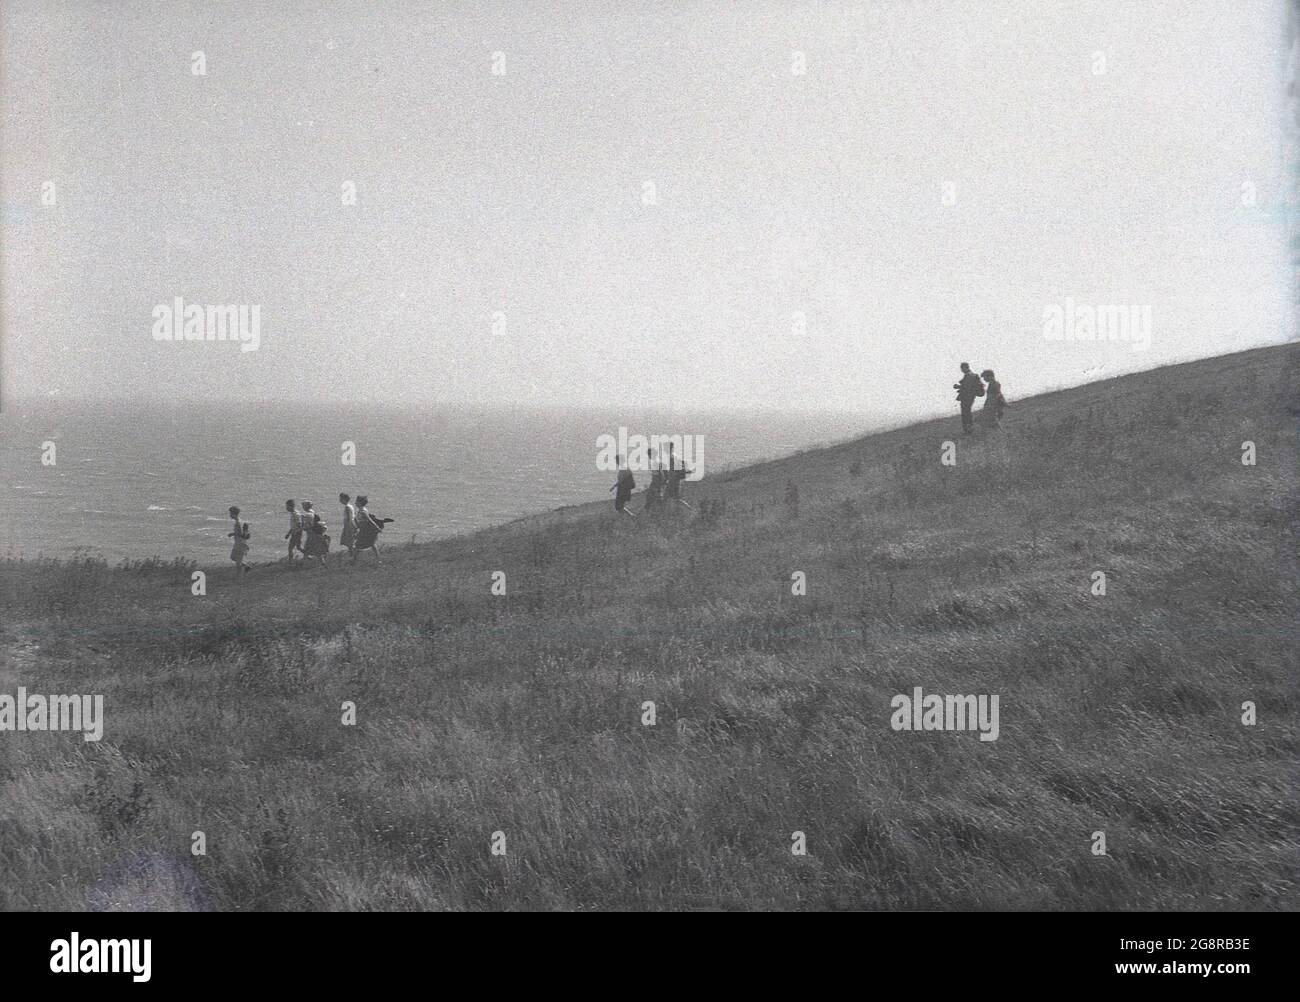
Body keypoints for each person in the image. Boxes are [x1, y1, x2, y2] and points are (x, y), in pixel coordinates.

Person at [352, 495, 392, 563]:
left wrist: (377, 528)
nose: (355, 502)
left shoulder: (363, 512)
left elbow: (370, 521)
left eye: (356, 501)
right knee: (371, 544)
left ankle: (354, 560)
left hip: (366, 530)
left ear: (360, 502)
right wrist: (356, 528)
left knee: (359, 545)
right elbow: (360, 521)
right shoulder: (360, 511)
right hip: (363, 530)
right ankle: (378, 558)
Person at [954, 362, 985, 435]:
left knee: (966, 413)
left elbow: (967, 387)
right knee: (967, 412)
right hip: (970, 397)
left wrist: (958, 387)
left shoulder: (969, 376)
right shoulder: (972, 375)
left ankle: (968, 430)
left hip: (967, 397)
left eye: (962, 368)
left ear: (965, 368)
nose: (961, 370)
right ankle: (969, 429)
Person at [664, 443, 693, 508]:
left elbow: (674, 470)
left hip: (673, 481)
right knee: (676, 499)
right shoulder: (674, 456)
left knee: (665, 498)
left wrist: (668, 478)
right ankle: (689, 509)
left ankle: (661, 514)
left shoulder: (671, 457)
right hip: (675, 480)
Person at [228, 506, 250, 573]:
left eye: (230, 513)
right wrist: (233, 534)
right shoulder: (238, 521)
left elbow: (241, 534)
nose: (230, 515)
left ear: (234, 514)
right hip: (237, 543)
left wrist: (233, 534)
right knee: (233, 557)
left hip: (240, 543)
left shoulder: (238, 522)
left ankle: (239, 578)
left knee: (238, 563)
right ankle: (247, 566)